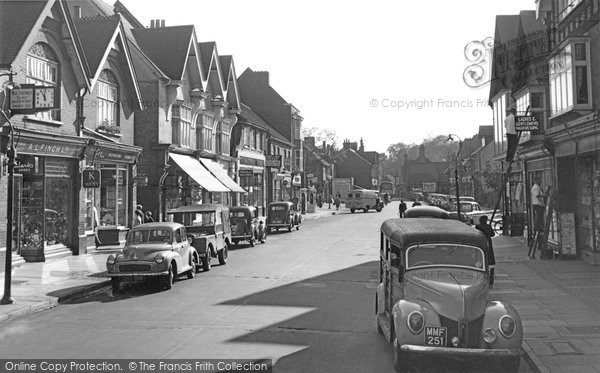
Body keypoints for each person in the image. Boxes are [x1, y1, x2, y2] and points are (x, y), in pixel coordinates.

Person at [476, 215, 496, 287]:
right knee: (491, 262)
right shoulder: (488, 226)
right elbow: (493, 234)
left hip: (481, 243)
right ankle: (491, 283)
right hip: (489, 244)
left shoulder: (478, 226)